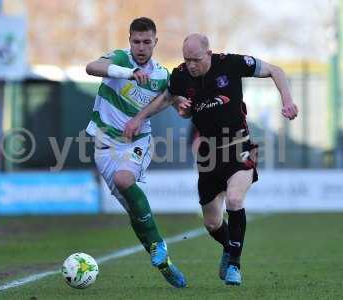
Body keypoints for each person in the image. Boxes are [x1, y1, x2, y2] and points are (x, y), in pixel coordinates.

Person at [124, 33, 298, 286]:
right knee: (212, 222)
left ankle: (235, 266)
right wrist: (140, 118)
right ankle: (229, 247)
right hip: (208, 157)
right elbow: (166, 98)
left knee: (235, 200)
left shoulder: (231, 63)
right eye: (187, 59)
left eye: (195, 59)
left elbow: (275, 70)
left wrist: (288, 101)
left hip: (239, 147)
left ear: (208, 53)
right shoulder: (181, 75)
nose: (191, 64)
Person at [85, 17, 186, 288]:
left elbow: (170, 96)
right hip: (105, 146)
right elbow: (91, 67)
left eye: (146, 42)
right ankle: (162, 259)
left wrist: (181, 104)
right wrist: (126, 73)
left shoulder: (162, 74)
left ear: (156, 41)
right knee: (133, 211)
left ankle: (158, 246)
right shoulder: (119, 59)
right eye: (136, 41)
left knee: (124, 180)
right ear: (129, 41)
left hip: (137, 142)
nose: (141, 47)